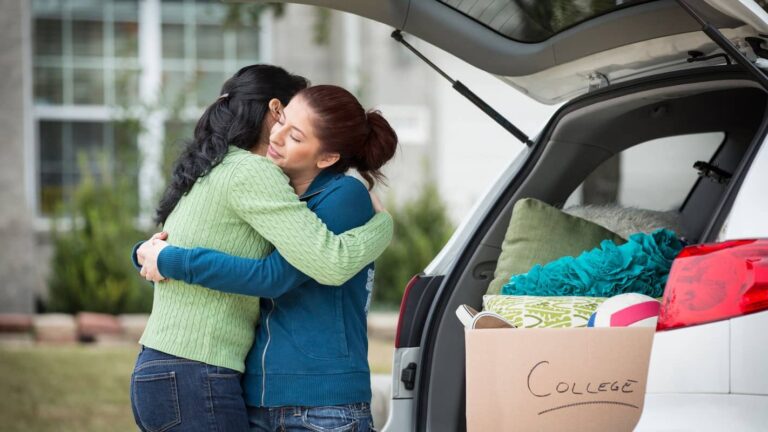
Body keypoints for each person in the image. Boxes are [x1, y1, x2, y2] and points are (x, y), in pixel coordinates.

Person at [130, 68, 394, 432]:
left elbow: (277, 276)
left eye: (296, 135)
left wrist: (160, 256)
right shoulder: (262, 181)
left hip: (313, 400)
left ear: (327, 158)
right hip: (230, 384)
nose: (278, 136)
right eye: (282, 121)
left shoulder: (339, 194)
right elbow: (217, 242)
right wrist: (152, 254)